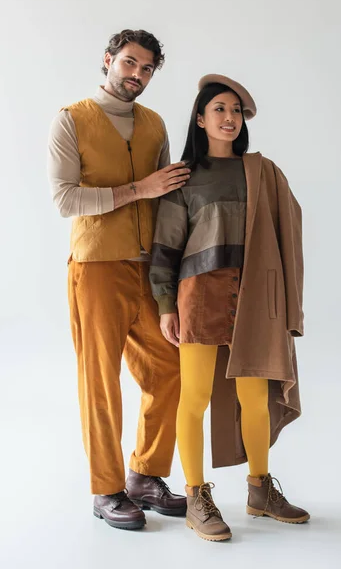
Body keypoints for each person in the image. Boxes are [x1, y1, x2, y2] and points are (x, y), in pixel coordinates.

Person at [149, 74, 310, 541]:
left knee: (254, 397)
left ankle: (260, 490)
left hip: (257, 298)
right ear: (200, 118)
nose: (229, 118)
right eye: (219, 109)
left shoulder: (263, 172)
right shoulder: (186, 177)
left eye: (236, 111)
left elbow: (287, 231)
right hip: (199, 297)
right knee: (194, 397)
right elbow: (166, 244)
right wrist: (165, 303)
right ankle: (197, 494)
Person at [47, 29, 190, 530]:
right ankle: (105, 489)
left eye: (147, 69)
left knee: (171, 367)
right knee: (100, 381)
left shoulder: (153, 124)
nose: (137, 75)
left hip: (149, 268)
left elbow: (166, 195)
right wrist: (138, 189)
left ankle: (145, 475)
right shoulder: (71, 120)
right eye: (130, 63)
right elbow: (66, 199)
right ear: (108, 60)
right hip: (97, 268)